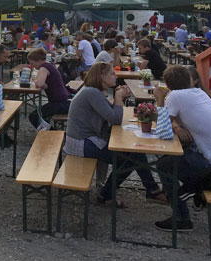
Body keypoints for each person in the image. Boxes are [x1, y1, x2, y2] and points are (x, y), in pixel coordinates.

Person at [152, 65, 211, 231]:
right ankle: (196, 196)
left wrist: (160, 99)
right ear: (189, 80)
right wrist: (177, 127)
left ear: (167, 85)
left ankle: (182, 218)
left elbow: (162, 131)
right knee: (182, 156)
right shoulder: (199, 93)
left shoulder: (176, 95)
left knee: (164, 165)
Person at [65, 62, 166, 205]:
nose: (115, 76)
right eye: (112, 73)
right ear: (101, 76)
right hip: (82, 143)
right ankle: (110, 194)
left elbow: (110, 113)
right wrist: (118, 98)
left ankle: (149, 190)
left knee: (134, 153)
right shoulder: (91, 92)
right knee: (130, 159)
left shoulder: (93, 90)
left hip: (88, 139)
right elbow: (115, 118)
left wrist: (119, 99)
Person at [25, 47, 72, 129]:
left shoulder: (43, 68)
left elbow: (39, 84)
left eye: (32, 63)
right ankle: (49, 131)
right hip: (66, 101)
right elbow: (46, 85)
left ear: (38, 60)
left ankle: (51, 134)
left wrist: (36, 81)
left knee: (34, 116)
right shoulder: (50, 64)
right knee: (41, 114)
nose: (32, 66)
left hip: (60, 103)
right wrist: (44, 84)